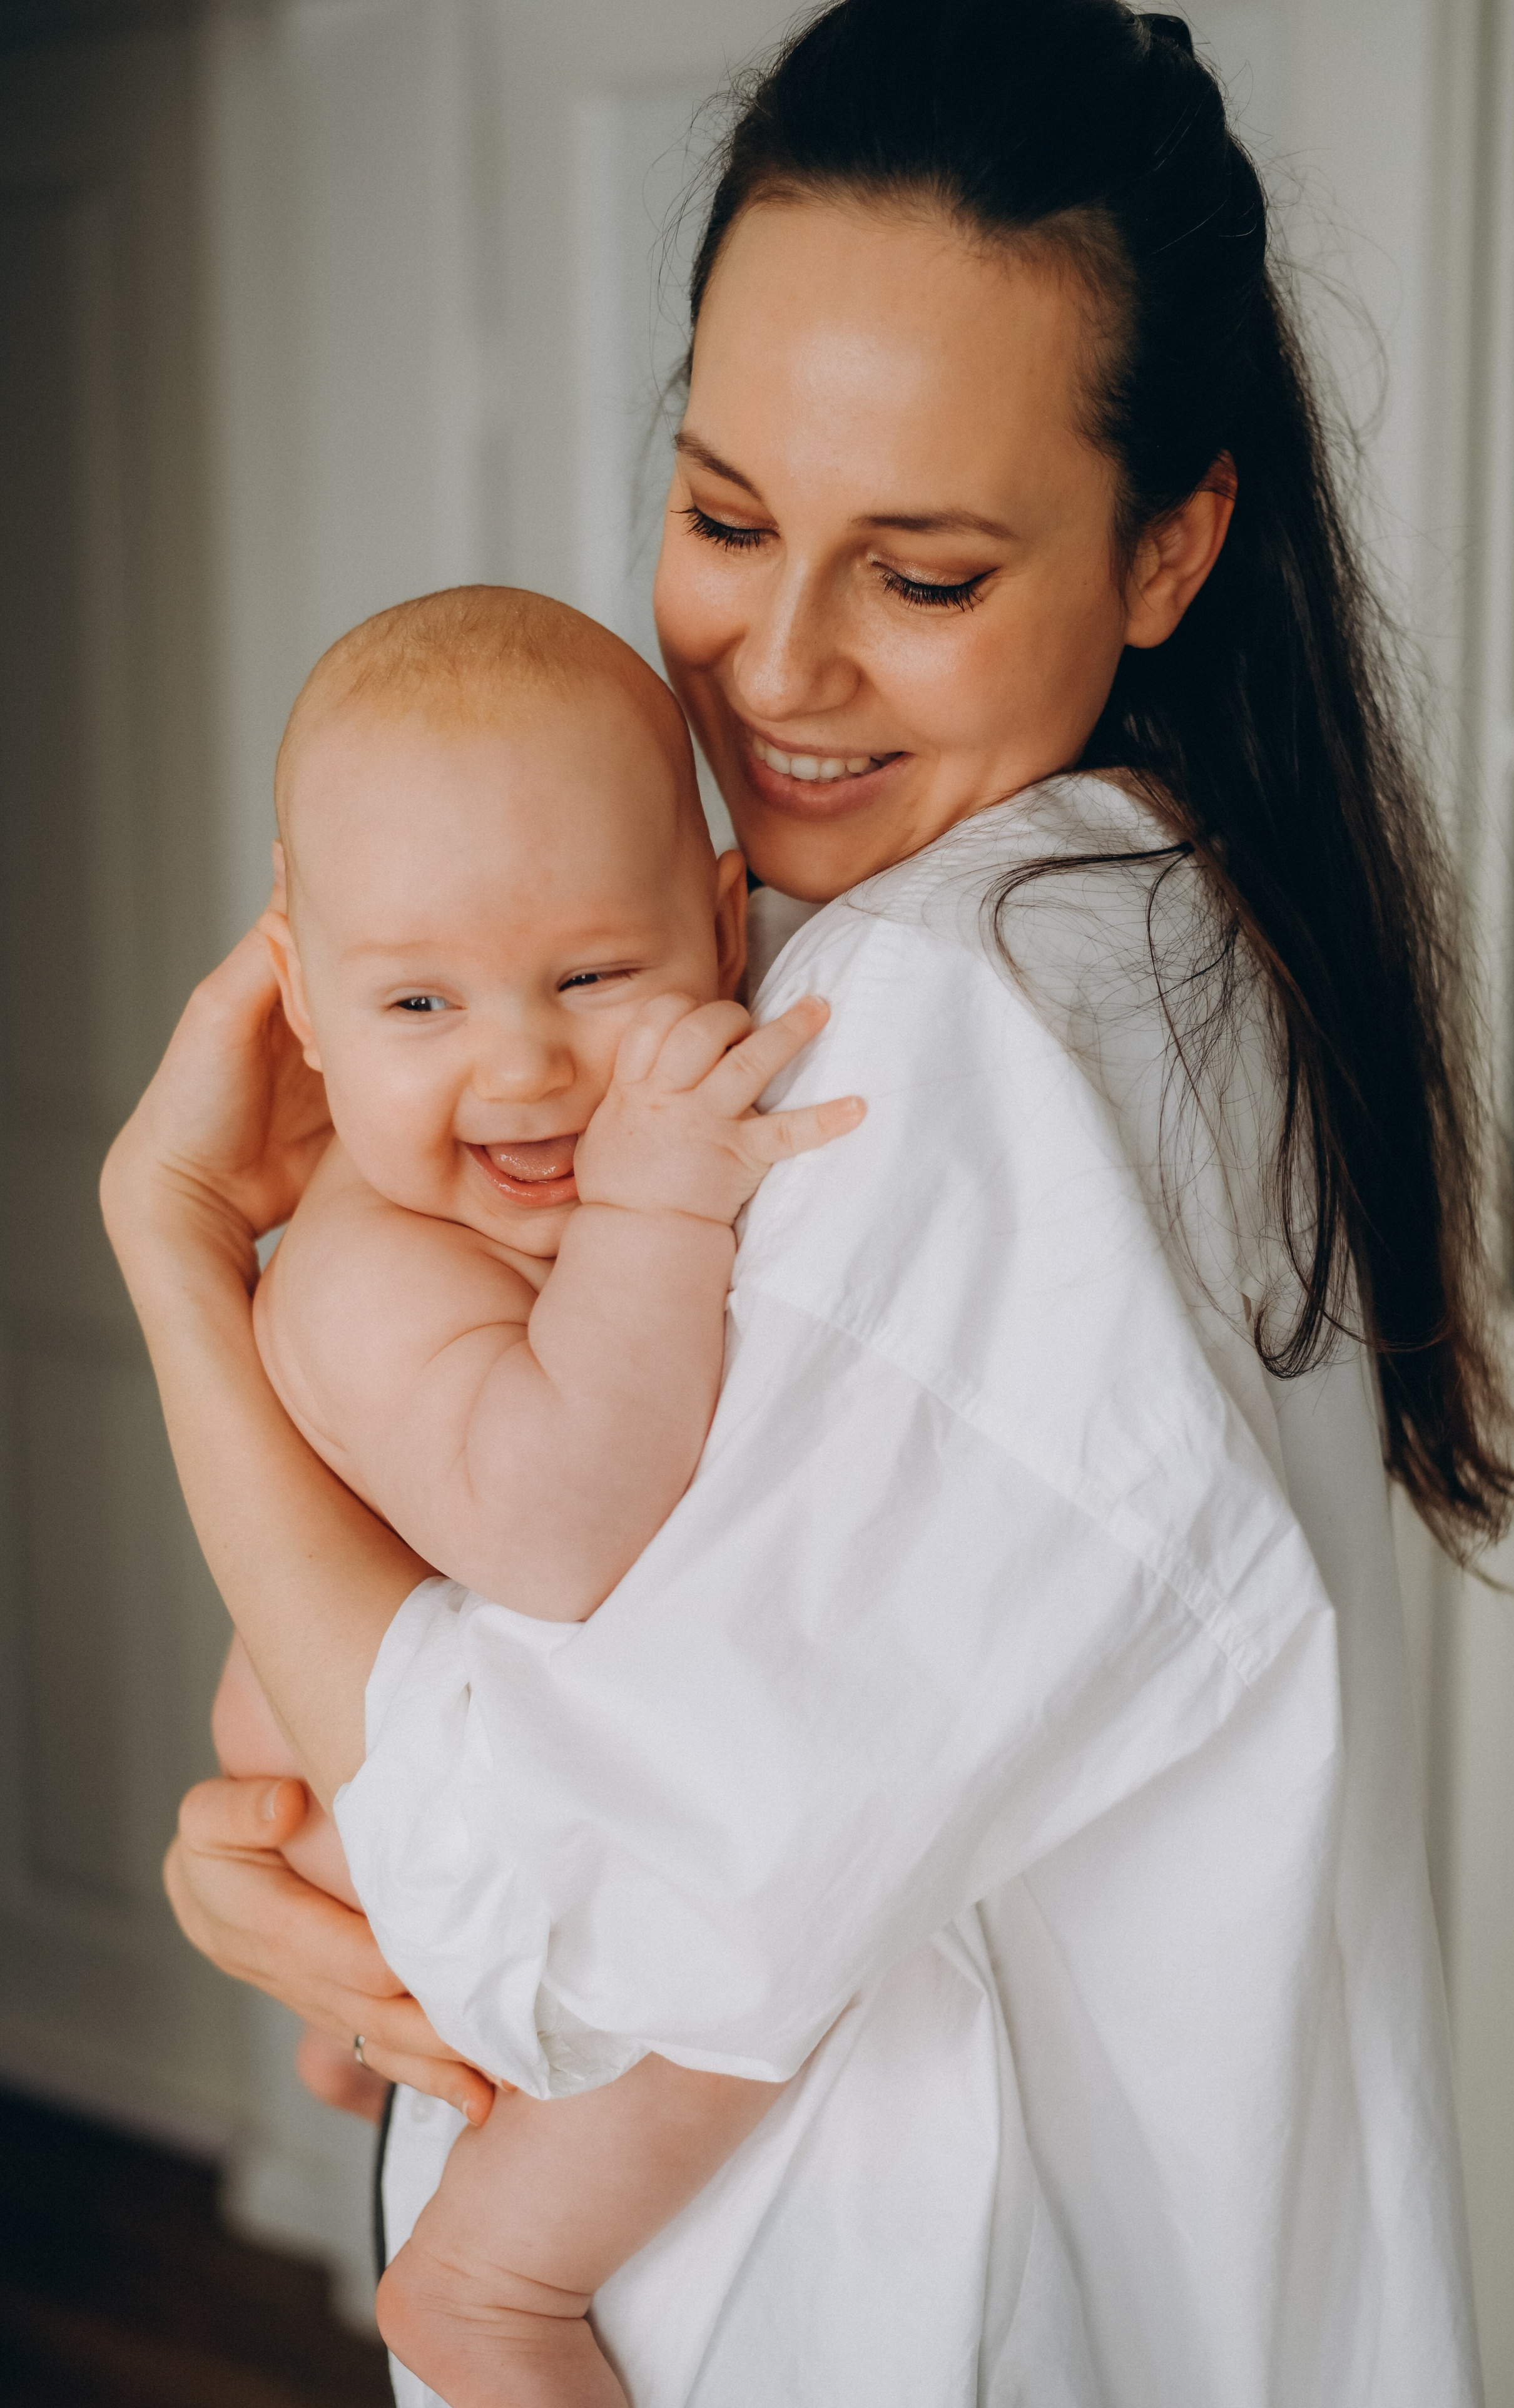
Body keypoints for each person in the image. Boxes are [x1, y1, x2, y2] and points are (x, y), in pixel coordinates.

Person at [105, 3, 1514, 2400]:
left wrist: (173, 1257)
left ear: (1172, 543)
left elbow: (567, 1891)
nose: (771, 668)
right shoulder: (1107, 940)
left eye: (930, 574)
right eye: (728, 515)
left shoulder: (957, 1030)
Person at [210, 584, 861, 2405]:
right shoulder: (368, 1266)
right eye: (419, 1000)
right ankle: (490, 2281)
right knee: (757, 1930)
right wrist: (660, 1210)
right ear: (307, 1006)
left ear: (727, 929)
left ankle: (356, 2061)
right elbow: (559, 1533)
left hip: (376, 1759)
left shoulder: (482, 1179)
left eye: (592, 977)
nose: (522, 1064)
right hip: (375, 1801)